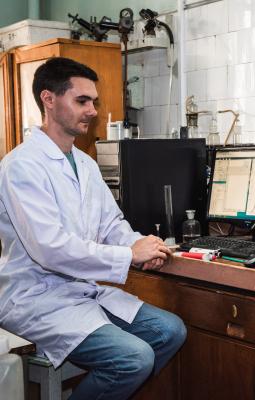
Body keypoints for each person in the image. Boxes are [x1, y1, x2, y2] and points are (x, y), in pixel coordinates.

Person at [0, 57, 186, 400]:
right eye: (82, 101)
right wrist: (128, 255)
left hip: (80, 291)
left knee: (170, 331)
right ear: (48, 99)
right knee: (133, 359)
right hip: (36, 299)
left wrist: (143, 245)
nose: (92, 111)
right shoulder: (21, 167)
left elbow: (110, 224)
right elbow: (50, 249)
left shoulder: (85, 164)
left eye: (94, 102)